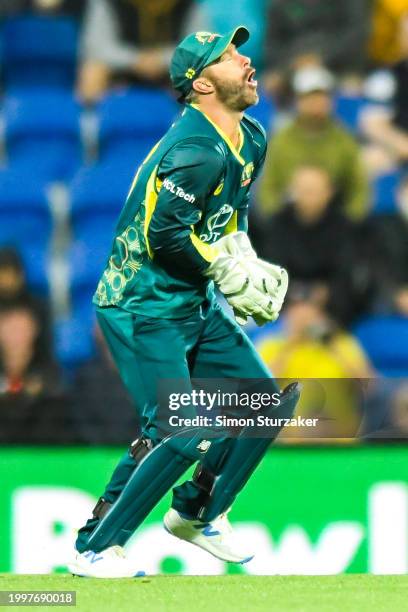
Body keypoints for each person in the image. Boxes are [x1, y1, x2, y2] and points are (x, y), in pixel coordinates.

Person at [69, 26, 298, 578]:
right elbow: (163, 237)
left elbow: (229, 217)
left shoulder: (252, 137)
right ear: (200, 84)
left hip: (192, 301)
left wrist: (241, 259)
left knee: (267, 401)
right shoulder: (195, 151)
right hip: (141, 305)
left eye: (240, 50)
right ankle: (94, 549)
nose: (246, 60)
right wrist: (225, 270)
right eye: (228, 57)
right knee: (181, 426)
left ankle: (198, 511)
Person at [255, 165, 372, 324]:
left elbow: (347, 272)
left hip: (333, 307)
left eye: (313, 191)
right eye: (302, 190)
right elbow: (270, 269)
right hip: (285, 306)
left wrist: (325, 296)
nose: (307, 196)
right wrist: (295, 299)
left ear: (329, 192)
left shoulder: (344, 226)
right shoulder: (278, 223)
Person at [258, 66, 370, 222]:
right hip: (290, 221)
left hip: (334, 221)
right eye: (309, 97)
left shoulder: (344, 140)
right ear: (298, 101)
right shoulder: (281, 141)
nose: (316, 104)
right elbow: (268, 188)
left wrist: (350, 220)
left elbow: (358, 186)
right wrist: (277, 220)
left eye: (322, 97)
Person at [78, 0, 194, 103]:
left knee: (200, 73)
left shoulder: (188, 4)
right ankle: (91, 124)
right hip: (122, 68)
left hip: (170, 68)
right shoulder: (108, 3)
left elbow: (197, 47)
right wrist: (136, 60)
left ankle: (193, 124)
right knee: (92, 71)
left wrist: (159, 59)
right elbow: (97, 47)